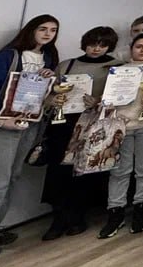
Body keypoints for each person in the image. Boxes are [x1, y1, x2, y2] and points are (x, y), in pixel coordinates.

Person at [39, 25, 118, 241]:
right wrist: (54, 100)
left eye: (102, 45)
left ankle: (78, 215)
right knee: (58, 169)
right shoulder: (67, 65)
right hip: (63, 122)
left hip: (93, 123)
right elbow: (47, 95)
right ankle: (58, 216)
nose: (96, 49)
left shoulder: (116, 66)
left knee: (84, 170)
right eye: (92, 44)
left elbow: (120, 97)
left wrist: (99, 102)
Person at [96, 32, 143, 239]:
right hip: (122, 125)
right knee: (119, 169)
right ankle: (115, 210)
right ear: (131, 48)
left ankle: (141, 207)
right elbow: (107, 97)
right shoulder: (119, 70)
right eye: (139, 46)